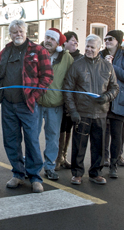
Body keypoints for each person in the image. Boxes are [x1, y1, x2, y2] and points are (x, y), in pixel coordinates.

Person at [0, 20, 53, 193]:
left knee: (32, 141)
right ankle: (18, 174)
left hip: (27, 105)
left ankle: (35, 177)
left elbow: (47, 76)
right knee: (11, 141)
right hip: (8, 105)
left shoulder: (38, 50)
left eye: (20, 31)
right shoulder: (5, 52)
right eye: (14, 32)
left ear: (26, 32)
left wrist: (34, 95)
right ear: (10, 34)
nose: (17, 34)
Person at [63, 34, 118, 185]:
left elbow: (115, 88)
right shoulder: (77, 65)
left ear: (99, 49)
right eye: (87, 46)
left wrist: (106, 97)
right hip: (82, 113)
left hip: (100, 112)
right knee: (79, 145)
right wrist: (72, 111)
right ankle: (77, 173)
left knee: (99, 146)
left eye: (92, 47)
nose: (89, 49)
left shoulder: (107, 66)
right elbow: (67, 89)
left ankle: (95, 173)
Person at [37, 28, 74, 181]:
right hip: (37, 102)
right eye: (47, 37)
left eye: (52, 39)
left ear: (58, 42)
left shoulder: (66, 58)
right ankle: (32, 166)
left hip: (55, 104)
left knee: (52, 137)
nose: (48, 41)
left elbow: (72, 78)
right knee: (32, 136)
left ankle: (50, 166)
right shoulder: (36, 52)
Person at [100, 30, 124, 178]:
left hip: (119, 101)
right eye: (105, 39)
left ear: (118, 41)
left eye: (110, 39)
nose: (107, 41)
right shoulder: (100, 55)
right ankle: (102, 161)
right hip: (102, 101)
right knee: (101, 135)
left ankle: (114, 164)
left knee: (116, 135)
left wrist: (112, 65)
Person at [55, 31, 82, 171]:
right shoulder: (60, 56)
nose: (75, 43)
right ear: (64, 43)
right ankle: (57, 157)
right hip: (60, 98)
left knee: (68, 128)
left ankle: (63, 156)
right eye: (72, 40)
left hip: (73, 100)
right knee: (60, 128)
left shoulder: (80, 58)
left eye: (76, 40)